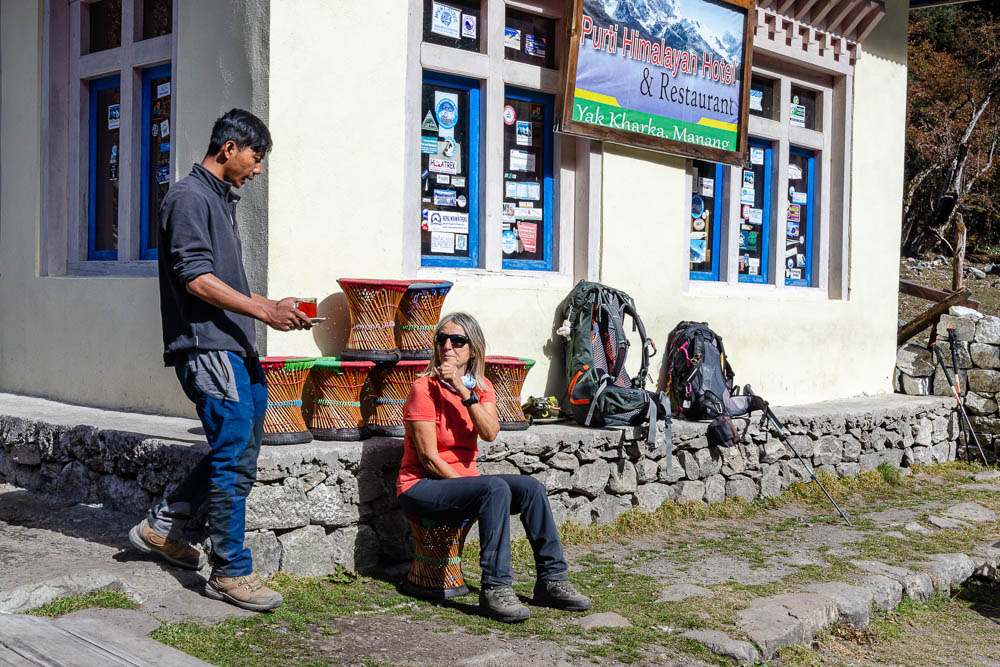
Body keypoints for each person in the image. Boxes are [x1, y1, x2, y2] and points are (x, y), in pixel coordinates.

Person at [129, 109, 311, 612]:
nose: (257, 170)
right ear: (229, 148)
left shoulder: (218, 201)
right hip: (206, 347)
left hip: (234, 346)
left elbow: (220, 282)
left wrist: (273, 307)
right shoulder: (188, 198)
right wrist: (263, 309)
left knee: (243, 449)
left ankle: (163, 524)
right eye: (256, 157)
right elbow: (195, 279)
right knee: (233, 455)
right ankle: (230, 572)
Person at [397, 312, 591, 623]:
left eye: (457, 340)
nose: (448, 345)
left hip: (464, 484)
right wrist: (471, 491)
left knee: (530, 488)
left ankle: (552, 580)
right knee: (493, 487)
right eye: (441, 339)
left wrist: (462, 390)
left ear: (472, 349)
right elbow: (429, 458)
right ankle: (496, 588)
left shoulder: (481, 387)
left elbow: (489, 432)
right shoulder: (424, 388)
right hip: (421, 486)